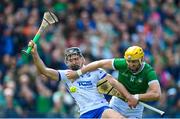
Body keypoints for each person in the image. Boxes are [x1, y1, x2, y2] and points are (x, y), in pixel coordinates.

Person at [28, 40, 126, 118]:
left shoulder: (96, 71)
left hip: (102, 108)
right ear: (67, 63)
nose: (74, 62)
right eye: (71, 60)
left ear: (82, 59)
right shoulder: (66, 75)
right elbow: (44, 71)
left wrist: (128, 96)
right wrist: (35, 54)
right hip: (85, 114)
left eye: (76, 59)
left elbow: (112, 82)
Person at [66, 45, 162, 118]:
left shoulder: (148, 72)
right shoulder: (122, 63)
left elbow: (156, 94)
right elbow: (99, 63)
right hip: (117, 103)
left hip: (135, 108)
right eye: (129, 61)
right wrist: (78, 73)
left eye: (134, 62)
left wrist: (136, 97)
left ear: (141, 59)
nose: (131, 64)